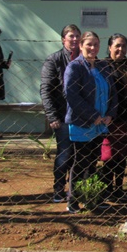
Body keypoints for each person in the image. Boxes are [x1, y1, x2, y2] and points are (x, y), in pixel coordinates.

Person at [64, 31, 117, 214]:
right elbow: (72, 95)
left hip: (101, 123)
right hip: (83, 122)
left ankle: (89, 198)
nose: (93, 48)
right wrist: (92, 115)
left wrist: (110, 114)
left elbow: (112, 92)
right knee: (80, 162)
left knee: (93, 161)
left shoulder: (103, 66)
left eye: (96, 44)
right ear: (80, 45)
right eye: (89, 44)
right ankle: (73, 200)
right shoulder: (75, 67)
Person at [41, 24, 81, 203]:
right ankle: (58, 189)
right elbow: (46, 89)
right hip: (63, 115)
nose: (74, 39)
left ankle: (75, 190)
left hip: (82, 116)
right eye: (71, 36)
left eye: (77, 36)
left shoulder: (85, 58)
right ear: (63, 39)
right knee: (64, 154)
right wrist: (52, 115)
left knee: (79, 155)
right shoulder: (54, 60)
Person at [101, 33, 127, 202]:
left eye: (123, 46)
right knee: (109, 154)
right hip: (109, 118)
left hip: (126, 117)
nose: (120, 49)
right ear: (109, 47)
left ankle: (119, 188)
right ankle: (107, 188)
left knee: (122, 155)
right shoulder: (103, 66)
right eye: (117, 45)